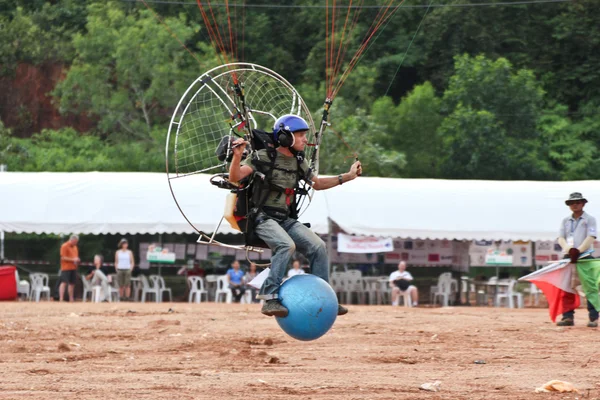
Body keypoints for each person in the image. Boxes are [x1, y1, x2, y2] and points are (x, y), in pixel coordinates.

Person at [229, 114, 362, 317]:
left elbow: (317, 183)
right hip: (262, 218)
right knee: (286, 245)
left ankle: (324, 298)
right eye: (300, 135)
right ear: (284, 137)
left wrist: (348, 176)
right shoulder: (263, 156)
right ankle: (269, 297)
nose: (304, 140)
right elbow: (235, 177)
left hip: (285, 219)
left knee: (318, 246)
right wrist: (237, 156)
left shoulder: (299, 161)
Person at [556, 192, 598, 327]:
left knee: (590, 287)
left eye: (578, 202)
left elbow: (591, 236)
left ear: (583, 203)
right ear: (569, 205)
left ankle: (593, 317)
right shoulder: (565, 220)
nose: (575, 205)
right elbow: (561, 237)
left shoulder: (589, 219)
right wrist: (569, 249)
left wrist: (579, 250)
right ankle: (567, 317)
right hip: (569, 257)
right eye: (572, 203)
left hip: (585, 256)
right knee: (566, 287)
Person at [59, 234, 80, 302]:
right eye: (75, 242)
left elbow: (75, 257)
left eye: (76, 242)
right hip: (66, 268)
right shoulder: (64, 246)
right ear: (72, 240)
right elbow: (63, 257)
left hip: (73, 268)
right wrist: (73, 259)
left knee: (72, 283)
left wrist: (77, 260)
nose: (76, 243)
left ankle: (71, 298)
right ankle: (61, 298)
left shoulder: (75, 247)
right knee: (64, 282)